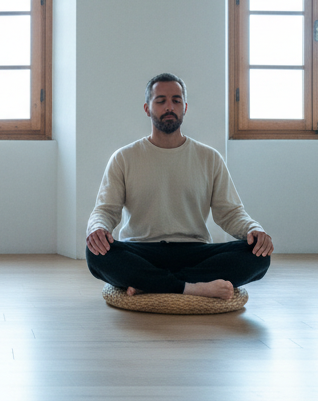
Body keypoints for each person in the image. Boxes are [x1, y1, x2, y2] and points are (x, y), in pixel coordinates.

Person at [86, 73, 272, 299]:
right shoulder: (124, 157)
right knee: (96, 254)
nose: (169, 107)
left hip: (194, 250)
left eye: (176, 100)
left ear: (185, 107)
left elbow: (230, 212)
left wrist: (254, 229)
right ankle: (191, 286)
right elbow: (106, 209)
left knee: (258, 255)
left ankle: (152, 283)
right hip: (141, 249)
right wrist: (97, 228)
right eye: (160, 100)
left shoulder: (209, 158)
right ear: (147, 108)